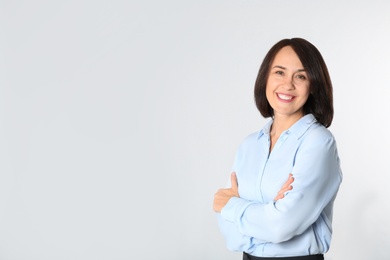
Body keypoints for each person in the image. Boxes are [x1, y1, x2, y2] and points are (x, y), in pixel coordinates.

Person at [213, 38, 342, 260]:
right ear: (266, 78)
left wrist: (233, 205)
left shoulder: (318, 143)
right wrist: (269, 211)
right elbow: (229, 233)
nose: (288, 84)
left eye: (300, 76)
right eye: (279, 72)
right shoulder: (249, 145)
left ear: (313, 85)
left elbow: (280, 226)